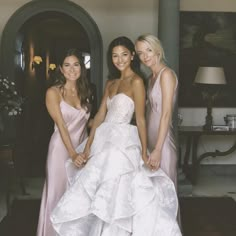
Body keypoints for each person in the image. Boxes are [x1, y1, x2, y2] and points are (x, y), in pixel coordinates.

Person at [51, 36, 182, 236]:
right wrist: (87, 147)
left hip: (122, 139)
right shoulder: (111, 83)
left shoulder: (138, 81)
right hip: (104, 137)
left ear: (131, 57)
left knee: (120, 187)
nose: (119, 59)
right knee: (101, 189)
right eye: (114, 55)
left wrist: (143, 152)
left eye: (124, 54)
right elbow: (100, 115)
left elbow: (140, 119)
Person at [36, 48, 91, 236]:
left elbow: (88, 123)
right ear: (60, 68)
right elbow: (61, 125)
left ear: (81, 68)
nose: (72, 69)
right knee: (58, 195)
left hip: (82, 149)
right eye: (67, 65)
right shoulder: (53, 92)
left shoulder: (86, 91)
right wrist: (72, 153)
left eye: (76, 64)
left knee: (77, 196)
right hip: (61, 150)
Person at [135, 34, 178, 188]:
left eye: (148, 50)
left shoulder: (166, 74)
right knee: (152, 194)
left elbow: (166, 114)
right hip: (151, 140)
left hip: (163, 142)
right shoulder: (149, 78)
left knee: (165, 192)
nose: (145, 56)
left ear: (157, 51)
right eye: (140, 53)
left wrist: (158, 149)